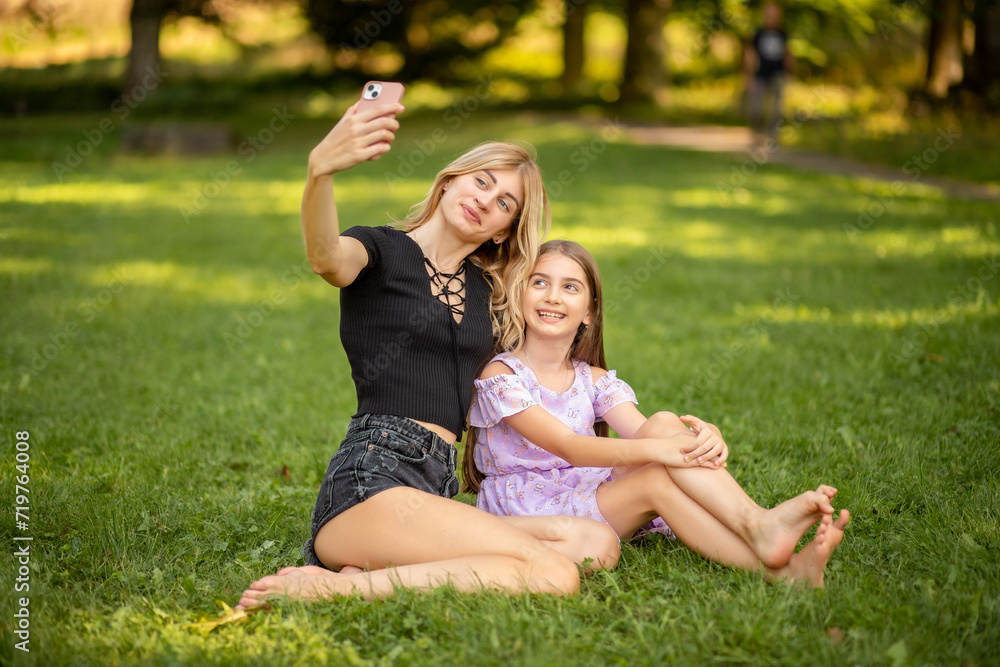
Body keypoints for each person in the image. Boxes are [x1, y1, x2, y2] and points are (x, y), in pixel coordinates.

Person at [236, 99, 634, 610]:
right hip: (373, 474)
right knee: (554, 573)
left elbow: (545, 360)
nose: (486, 200)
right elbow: (326, 258)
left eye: (505, 203)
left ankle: (384, 565)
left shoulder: (489, 291)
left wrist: (658, 427)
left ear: (503, 232)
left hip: (434, 485)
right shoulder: (379, 250)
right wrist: (321, 172)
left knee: (595, 544)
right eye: (482, 181)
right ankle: (336, 587)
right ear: (451, 181)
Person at [463, 240, 850, 586]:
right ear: (521, 294)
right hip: (529, 506)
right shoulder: (502, 376)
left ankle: (762, 530)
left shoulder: (592, 380)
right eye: (540, 282)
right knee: (655, 480)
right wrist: (662, 452)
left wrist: (699, 438)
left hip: (583, 490)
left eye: (570, 287)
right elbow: (569, 446)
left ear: (588, 312)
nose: (552, 296)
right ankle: (770, 552)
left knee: (664, 422)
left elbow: (647, 431)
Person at [744, 2, 795, 147]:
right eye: (769, 14)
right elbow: (750, 55)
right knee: (756, 108)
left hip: (778, 75)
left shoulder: (783, 34)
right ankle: (756, 136)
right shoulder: (758, 33)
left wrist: (790, 74)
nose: (772, 17)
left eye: (775, 14)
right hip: (760, 74)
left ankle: (773, 138)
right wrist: (749, 76)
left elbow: (788, 54)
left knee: (777, 109)